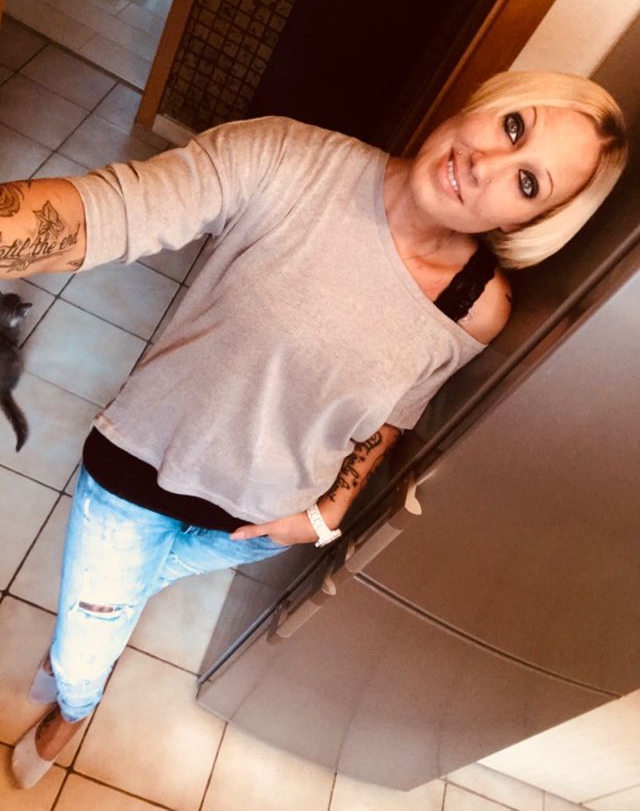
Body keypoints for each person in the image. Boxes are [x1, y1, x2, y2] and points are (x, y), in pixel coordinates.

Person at [1, 70, 626, 788]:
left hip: (260, 523)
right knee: (88, 643)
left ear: (523, 223)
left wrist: (328, 512)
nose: (488, 164)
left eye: (527, 183)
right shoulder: (286, 159)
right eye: (513, 126)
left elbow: (394, 413)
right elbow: (100, 214)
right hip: (138, 480)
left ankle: (83, 654)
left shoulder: (477, 305)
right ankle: (76, 702)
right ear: (486, 104)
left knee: (116, 601)